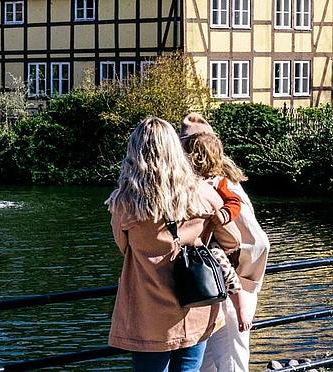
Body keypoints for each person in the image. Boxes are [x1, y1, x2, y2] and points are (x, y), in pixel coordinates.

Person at [107, 116, 241, 372]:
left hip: (149, 313)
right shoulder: (203, 194)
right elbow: (232, 239)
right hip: (195, 302)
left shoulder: (124, 203)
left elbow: (123, 247)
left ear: (134, 153)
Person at [178, 114, 272, 372]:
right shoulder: (209, 184)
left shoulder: (222, 187)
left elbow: (258, 241)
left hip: (225, 291)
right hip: (210, 289)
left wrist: (242, 282)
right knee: (211, 365)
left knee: (229, 364)